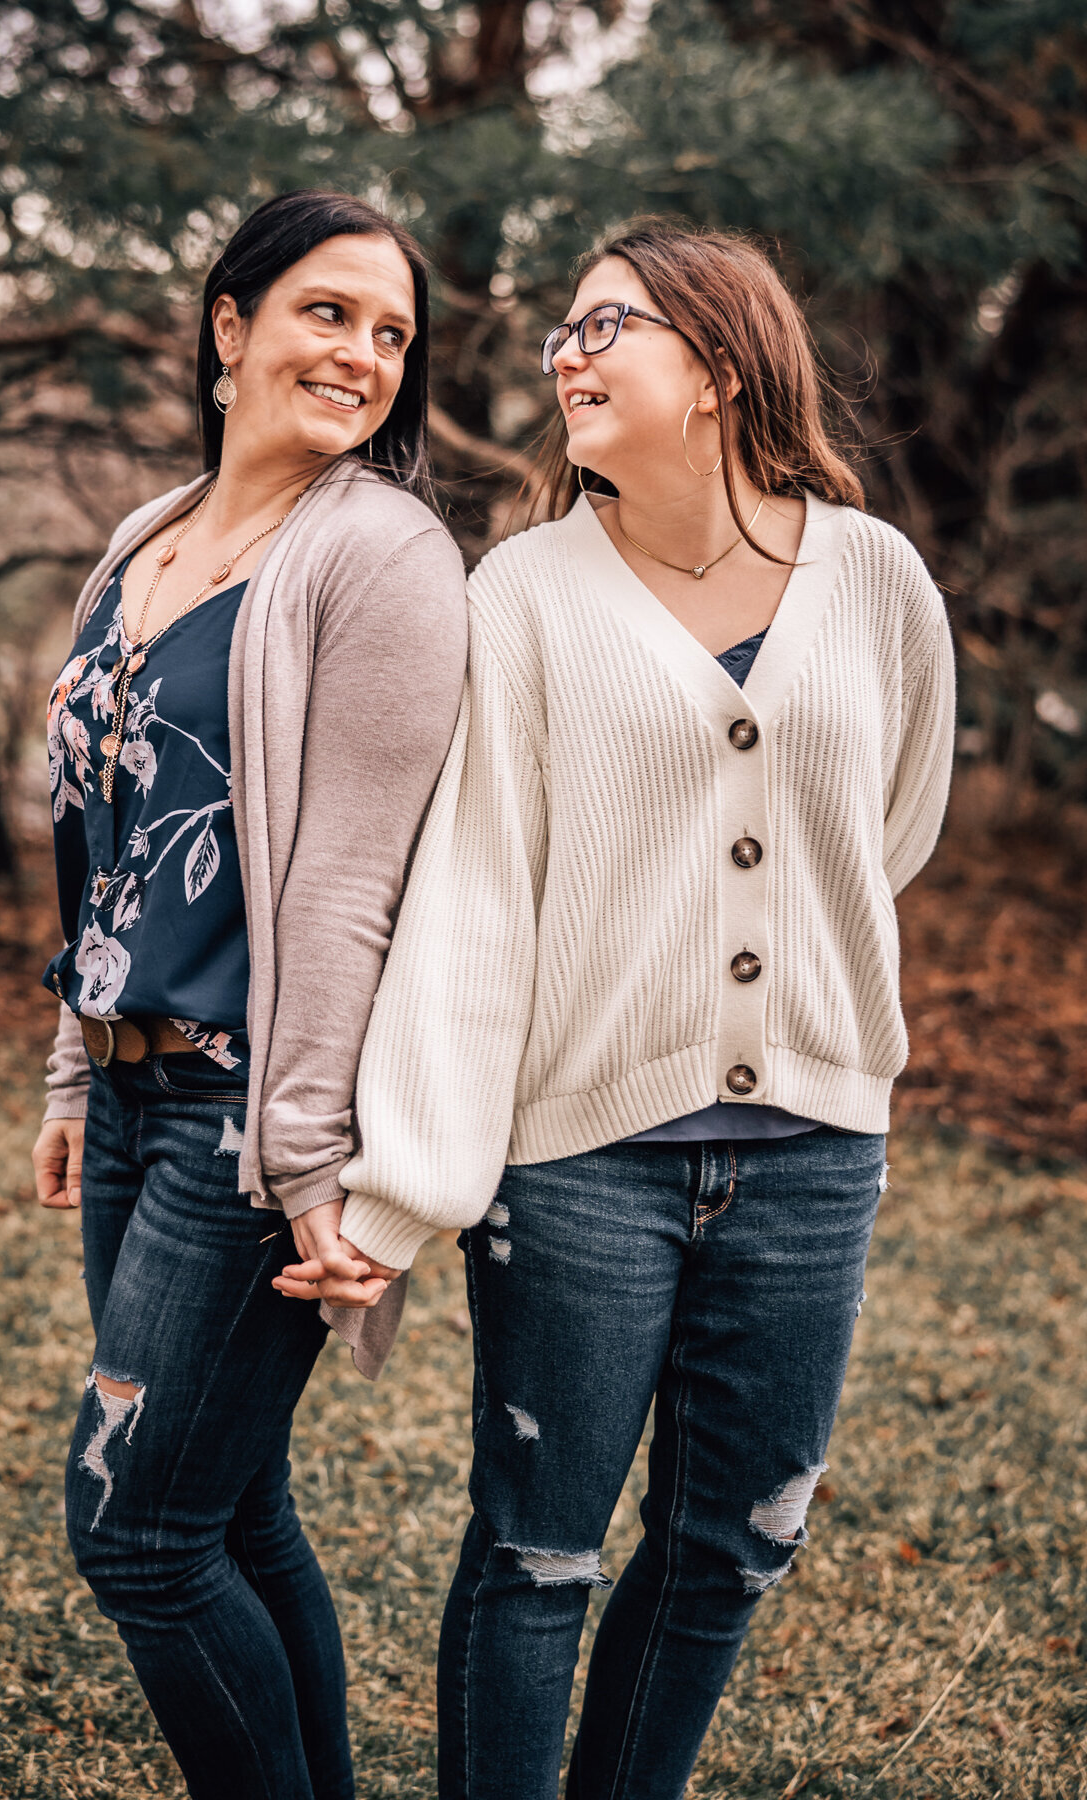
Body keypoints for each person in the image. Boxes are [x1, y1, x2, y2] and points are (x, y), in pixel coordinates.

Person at [294, 219, 956, 1797]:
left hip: (815, 1159)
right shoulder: (519, 595)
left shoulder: (874, 577)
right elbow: (473, 902)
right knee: (535, 1558)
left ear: (719, 365)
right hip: (581, 1167)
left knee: (735, 1547)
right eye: (562, 339)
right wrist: (404, 1189)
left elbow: (895, 819)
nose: (565, 358)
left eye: (607, 328)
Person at [30, 189, 467, 1800]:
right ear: (231, 326)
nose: (362, 354)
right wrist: (75, 1075)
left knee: (136, 1534)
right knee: (232, 1507)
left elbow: (352, 884)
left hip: (241, 1120)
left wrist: (302, 1165)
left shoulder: (385, 557)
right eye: (327, 312)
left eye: (392, 332)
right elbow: (102, 832)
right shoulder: (146, 538)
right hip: (136, 1092)